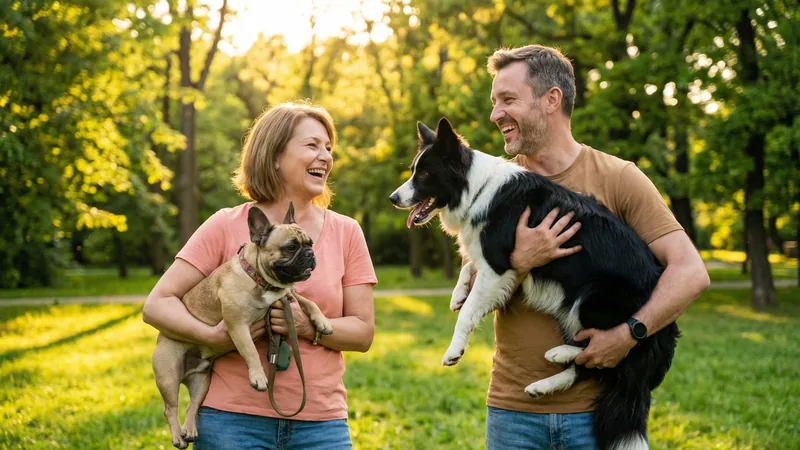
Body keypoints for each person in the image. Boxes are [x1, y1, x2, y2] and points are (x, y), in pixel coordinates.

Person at [477, 45, 711, 449]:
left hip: (597, 413)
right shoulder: (495, 187)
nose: (496, 114)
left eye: (508, 100)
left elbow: (690, 271)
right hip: (512, 414)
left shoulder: (619, 178)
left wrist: (629, 333)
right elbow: (472, 293)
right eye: (494, 102)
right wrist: (518, 261)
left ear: (551, 100)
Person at [142, 101, 377, 449]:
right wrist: (214, 335)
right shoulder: (225, 224)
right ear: (275, 156)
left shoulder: (347, 231)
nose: (325, 156)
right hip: (231, 421)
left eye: (329, 148)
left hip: (321, 423)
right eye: (312, 145)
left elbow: (362, 332)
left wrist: (309, 326)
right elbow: (157, 305)